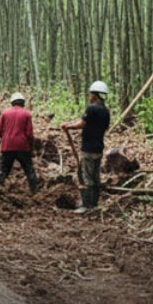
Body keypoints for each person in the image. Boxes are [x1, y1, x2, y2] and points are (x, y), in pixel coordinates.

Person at [61, 80, 111, 213]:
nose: (89, 96)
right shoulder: (106, 111)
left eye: (90, 94)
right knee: (96, 176)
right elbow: (102, 126)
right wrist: (70, 124)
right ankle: (94, 203)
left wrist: (69, 126)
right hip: (99, 148)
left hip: (88, 148)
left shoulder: (91, 108)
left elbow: (82, 124)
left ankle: (87, 206)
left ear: (95, 95)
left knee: (87, 177)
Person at [0, 91, 39, 193]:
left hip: (7, 146)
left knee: (3, 170)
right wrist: (31, 148)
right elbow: (29, 134)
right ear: (23, 103)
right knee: (29, 170)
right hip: (22, 146)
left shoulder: (5, 113)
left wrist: (6, 138)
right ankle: (34, 192)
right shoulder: (27, 114)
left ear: (12, 102)